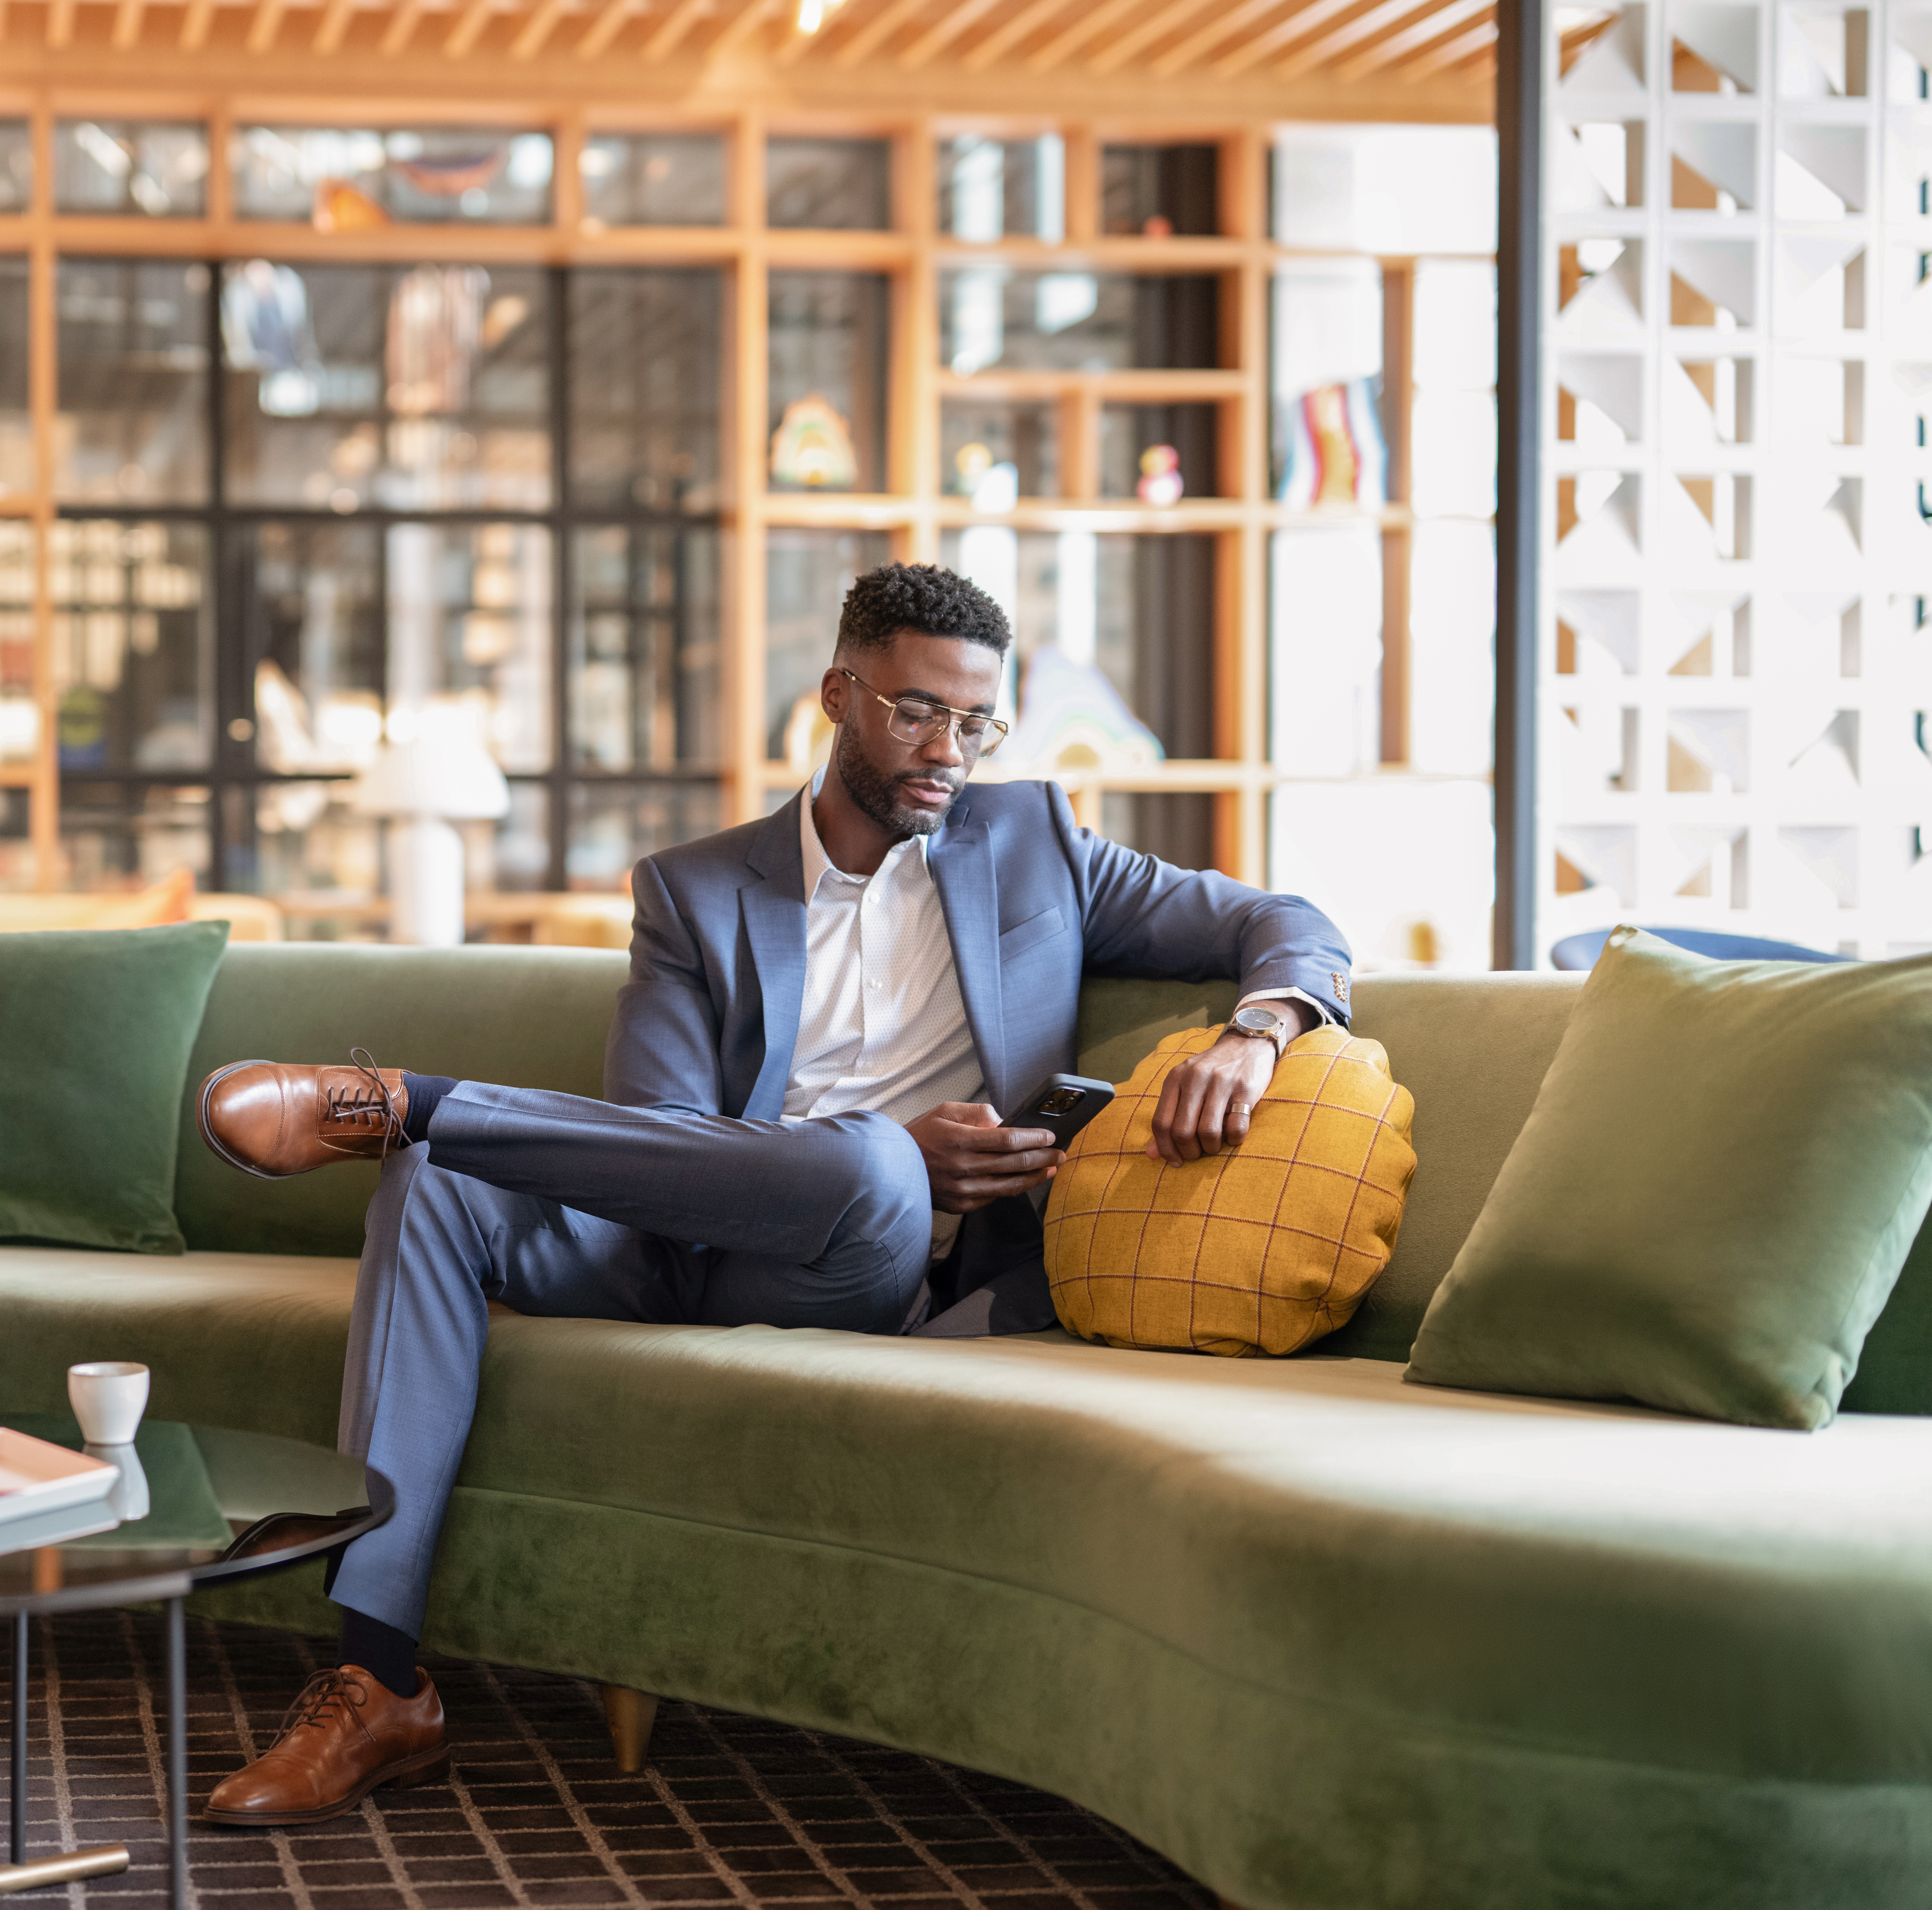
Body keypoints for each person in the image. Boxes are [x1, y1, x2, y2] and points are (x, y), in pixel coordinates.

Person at [192, 563, 1352, 1827]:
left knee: (866, 1166)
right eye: (917, 712)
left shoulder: (1037, 845)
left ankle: (412, 1094)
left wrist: (1258, 1030)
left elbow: (1284, 919)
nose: (948, 751)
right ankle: (379, 1681)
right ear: (839, 695)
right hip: (678, 1243)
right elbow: (657, 1141)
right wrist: (898, 1140)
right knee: (431, 1192)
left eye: (977, 723)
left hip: (873, 1265)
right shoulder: (694, 890)